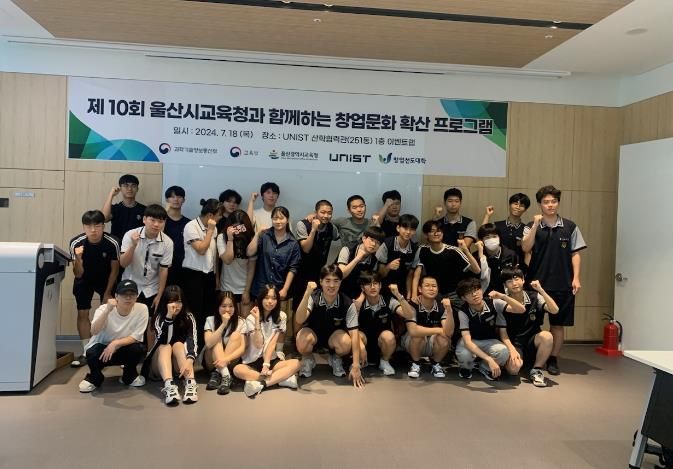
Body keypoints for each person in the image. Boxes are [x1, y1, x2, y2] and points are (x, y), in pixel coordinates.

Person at [522, 185, 587, 375]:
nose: (550, 205)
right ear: (540, 204)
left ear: (558, 203)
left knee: (557, 325)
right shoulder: (531, 225)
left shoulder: (570, 226)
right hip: (536, 284)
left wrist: (576, 278)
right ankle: (533, 356)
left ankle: (553, 359)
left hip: (563, 284)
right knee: (532, 323)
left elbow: (575, 254)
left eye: (553, 201)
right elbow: (525, 248)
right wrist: (535, 225)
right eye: (546, 202)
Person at [294, 265, 365, 388]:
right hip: (313, 335)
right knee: (301, 341)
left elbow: (354, 334)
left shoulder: (347, 303)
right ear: (321, 281)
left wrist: (355, 365)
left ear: (340, 282)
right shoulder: (313, 297)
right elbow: (299, 319)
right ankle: (308, 359)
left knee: (346, 343)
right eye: (327, 281)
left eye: (336, 281)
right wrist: (306, 294)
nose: (332, 285)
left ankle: (335, 358)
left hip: (334, 338)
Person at [69, 210, 120, 367]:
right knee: (82, 313)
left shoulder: (113, 242)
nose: (93, 230)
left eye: (97, 226)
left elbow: (115, 269)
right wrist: (78, 258)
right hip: (84, 279)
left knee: (108, 312)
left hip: (106, 279)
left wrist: (107, 292)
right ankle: (87, 351)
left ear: (103, 226)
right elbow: (78, 273)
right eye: (88, 226)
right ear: (84, 227)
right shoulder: (76, 243)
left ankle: (107, 349)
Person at [78, 279, 148, 392]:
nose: (128, 298)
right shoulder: (103, 309)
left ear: (137, 296)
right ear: (116, 296)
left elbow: (136, 336)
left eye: (132, 294)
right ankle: (95, 378)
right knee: (92, 352)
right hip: (103, 350)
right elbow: (94, 331)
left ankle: (129, 375)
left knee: (139, 348)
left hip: (123, 348)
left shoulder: (142, 309)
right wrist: (107, 310)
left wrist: (115, 343)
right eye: (124, 294)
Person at [234, 285, 301, 398]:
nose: (270, 301)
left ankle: (262, 384)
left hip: (270, 359)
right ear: (260, 299)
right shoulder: (251, 318)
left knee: (296, 363)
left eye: (274, 298)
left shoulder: (281, 316)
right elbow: (258, 344)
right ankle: (279, 379)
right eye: (266, 298)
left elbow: (272, 344)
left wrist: (266, 365)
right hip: (252, 361)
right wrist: (257, 320)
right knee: (237, 370)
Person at [454, 278, 525, 381]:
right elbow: (468, 342)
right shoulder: (463, 312)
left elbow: (521, 309)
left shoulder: (494, 302)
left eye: (476, 289)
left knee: (504, 352)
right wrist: (489, 359)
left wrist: (503, 296)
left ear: (481, 290)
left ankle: (484, 367)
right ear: (463, 298)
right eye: (469, 292)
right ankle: (466, 367)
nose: (474, 294)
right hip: (472, 341)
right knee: (464, 354)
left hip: (490, 341)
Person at [501, 268, 559, 387]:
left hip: (532, 339)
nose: (514, 283)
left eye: (517, 279)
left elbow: (555, 310)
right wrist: (511, 349)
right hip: (514, 342)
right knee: (513, 370)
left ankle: (537, 369)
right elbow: (501, 331)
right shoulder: (502, 300)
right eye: (509, 281)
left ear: (523, 280)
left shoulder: (535, 296)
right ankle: (516, 362)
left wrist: (541, 290)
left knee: (547, 336)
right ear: (505, 285)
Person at [142, 285, 199, 406]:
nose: (175, 305)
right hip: (158, 366)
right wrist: (168, 317)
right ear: (165, 303)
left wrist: (190, 359)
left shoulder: (188, 317)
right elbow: (164, 340)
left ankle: (190, 383)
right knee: (166, 346)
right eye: (171, 301)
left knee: (178, 344)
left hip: (179, 367)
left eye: (179, 301)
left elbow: (192, 339)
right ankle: (169, 386)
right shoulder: (159, 317)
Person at [353, 272, 414, 375]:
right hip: (363, 344)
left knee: (388, 336)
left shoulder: (389, 300)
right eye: (368, 284)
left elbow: (409, 315)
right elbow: (351, 328)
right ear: (362, 288)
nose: (373, 287)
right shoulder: (358, 302)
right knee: (357, 335)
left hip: (382, 345)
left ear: (380, 285)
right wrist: (357, 308)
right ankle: (358, 361)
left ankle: (384, 361)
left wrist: (398, 295)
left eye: (375, 283)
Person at [411, 219, 480, 307]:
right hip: (434, 293)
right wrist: (414, 294)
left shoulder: (453, 250)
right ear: (426, 235)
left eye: (439, 231)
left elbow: (477, 270)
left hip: (455, 294)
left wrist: (465, 250)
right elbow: (417, 273)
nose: (436, 233)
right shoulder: (422, 250)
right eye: (432, 231)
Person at [292, 199, 340, 322]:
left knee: (316, 306)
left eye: (329, 213)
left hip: (319, 273)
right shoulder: (303, 224)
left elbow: (340, 236)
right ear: (316, 212)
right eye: (322, 212)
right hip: (301, 272)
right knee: (299, 306)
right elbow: (306, 248)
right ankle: (296, 333)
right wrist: (313, 229)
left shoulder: (332, 228)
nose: (326, 215)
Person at [182, 198, 221, 346]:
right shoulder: (191, 226)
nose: (219, 218)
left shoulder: (214, 228)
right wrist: (210, 230)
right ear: (210, 215)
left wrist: (216, 276)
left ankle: (204, 345)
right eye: (218, 215)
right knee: (195, 312)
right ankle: (192, 344)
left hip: (209, 275)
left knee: (208, 312)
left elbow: (214, 254)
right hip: (193, 274)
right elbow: (201, 249)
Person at [119, 204, 173, 311]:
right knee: (128, 317)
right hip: (130, 285)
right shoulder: (130, 235)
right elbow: (123, 263)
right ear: (144, 219)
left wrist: (159, 295)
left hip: (152, 288)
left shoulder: (168, 242)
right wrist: (133, 245)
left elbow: (163, 270)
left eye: (160, 221)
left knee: (149, 318)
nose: (156, 224)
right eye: (152, 220)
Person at [403, 276, 454, 379]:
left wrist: (449, 310)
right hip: (411, 342)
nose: (431, 289)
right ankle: (415, 364)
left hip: (432, 342)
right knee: (418, 335)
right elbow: (413, 331)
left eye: (434, 286)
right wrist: (439, 330)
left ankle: (435, 364)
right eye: (427, 286)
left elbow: (449, 332)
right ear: (420, 289)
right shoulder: (412, 304)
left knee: (445, 338)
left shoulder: (442, 306)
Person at [247, 206, 301, 302]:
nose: (278, 221)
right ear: (271, 219)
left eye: (281, 218)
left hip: (279, 289)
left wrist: (285, 289)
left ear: (287, 220)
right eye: (275, 218)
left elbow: (293, 268)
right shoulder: (264, 236)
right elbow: (249, 252)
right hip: (260, 287)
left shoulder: (293, 243)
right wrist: (257, 234)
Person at [203, 291, 250, 395]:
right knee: (216, 339)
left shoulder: (241, 322)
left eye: (230, 306)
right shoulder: (210, 320)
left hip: (230, 362)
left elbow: (243, 348)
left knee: (236, 335)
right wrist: (223, 324)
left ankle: (219, 373)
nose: (227, 309)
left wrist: (225, 360)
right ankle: (226, 375)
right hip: (211, 361)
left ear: (235, 307)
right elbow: (208, 344)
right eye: (224, 306)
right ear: (218, 307)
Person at [217, 209, 255, 311]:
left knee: (246, 319)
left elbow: (252, 267)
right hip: (227, 287)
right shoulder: (222, 237)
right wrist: (230, 239)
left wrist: (246, 291)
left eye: (241, 227)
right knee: (229, 318)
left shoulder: (251, 239)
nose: (238, 230)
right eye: (235, 227)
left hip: (245, 287)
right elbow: (227, 260)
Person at [376, 214, 419, 299]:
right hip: (384, 287)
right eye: (405, 228)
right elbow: (379, 274)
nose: (408, 232)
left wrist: (409, 295)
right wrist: (388, 266)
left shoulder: (415, 248)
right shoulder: (387, 244)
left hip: (402, 287)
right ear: (398, 228)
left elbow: (410, 275)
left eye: (412, 229)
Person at [337, 226, 385, 300]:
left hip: (357, 295)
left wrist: (361, 299)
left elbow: (368, 283)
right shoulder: (347, 249)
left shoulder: (374, 261)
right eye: (371, 240)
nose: (373, 244)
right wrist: (357, 258)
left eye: (378, 243)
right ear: (364, 238)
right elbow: (340, 275)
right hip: (337, 290)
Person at [482, 193, 531, 265]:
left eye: (521, 205)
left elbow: (528, 252)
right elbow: (482, 235)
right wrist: (487, 215)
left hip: (518, 267)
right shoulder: (497, 225)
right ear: (509, 205)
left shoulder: (526, 229)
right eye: (515, 204)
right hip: (497, 265)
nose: (518, 207)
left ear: (525, 209)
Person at [476, 223, 519, 294]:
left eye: (494, 236)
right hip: (486, 294)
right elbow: (480, 278)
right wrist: (481, 257)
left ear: (499, 237)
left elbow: (516, 276)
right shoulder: (476, 256)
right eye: (487, 237)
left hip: (507, 294)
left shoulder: (511, 254)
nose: (491, 239)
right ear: (481, 240)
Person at [102, 174, 146, 241]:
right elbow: (104, 218)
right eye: (126, 185)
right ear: (120, 188)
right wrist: (111, 195)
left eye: (133, 185)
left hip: (136, 244)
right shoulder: (115, 208)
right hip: (116, 244)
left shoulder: (144, 209)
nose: (130, 189)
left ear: (137, 189)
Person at [163, 185, 189, 288]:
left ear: (184, 200)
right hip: (163, 264)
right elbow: (156, 235)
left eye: (179, 196)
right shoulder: (160, 221)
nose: (176, 199)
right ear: (167, 200)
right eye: (172, 196)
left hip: (182, 265)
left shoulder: (188, 223)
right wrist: (164, 213)